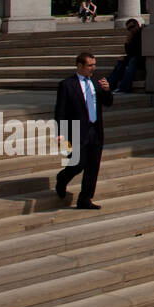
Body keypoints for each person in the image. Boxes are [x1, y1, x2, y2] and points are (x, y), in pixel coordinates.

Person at [54, 51, 113, 210]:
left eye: (94, 65)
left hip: (95, 130)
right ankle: (62, 178)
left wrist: (107, 90)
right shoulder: (67, 84)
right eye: (90, 65)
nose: (93, 68)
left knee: (93, 166)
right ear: (80, 65)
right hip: (75, 131)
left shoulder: (96, 82)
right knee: (77, 163)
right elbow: (60, 110)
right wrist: (60, 132)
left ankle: (85, 199)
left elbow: (108, 103)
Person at [108, 18, 144, 93]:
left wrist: (126, 58)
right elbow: (130, 53)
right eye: (128, 29)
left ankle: (124, 88)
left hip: (143, 59)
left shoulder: (143, 33)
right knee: (121, 62)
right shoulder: (132, 36)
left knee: (132, 60)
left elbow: (139, 52)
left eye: (132, 27)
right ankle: (109, 86)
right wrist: (127, 43)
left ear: (137, 25)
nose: (131, 30)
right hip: (135, 58)